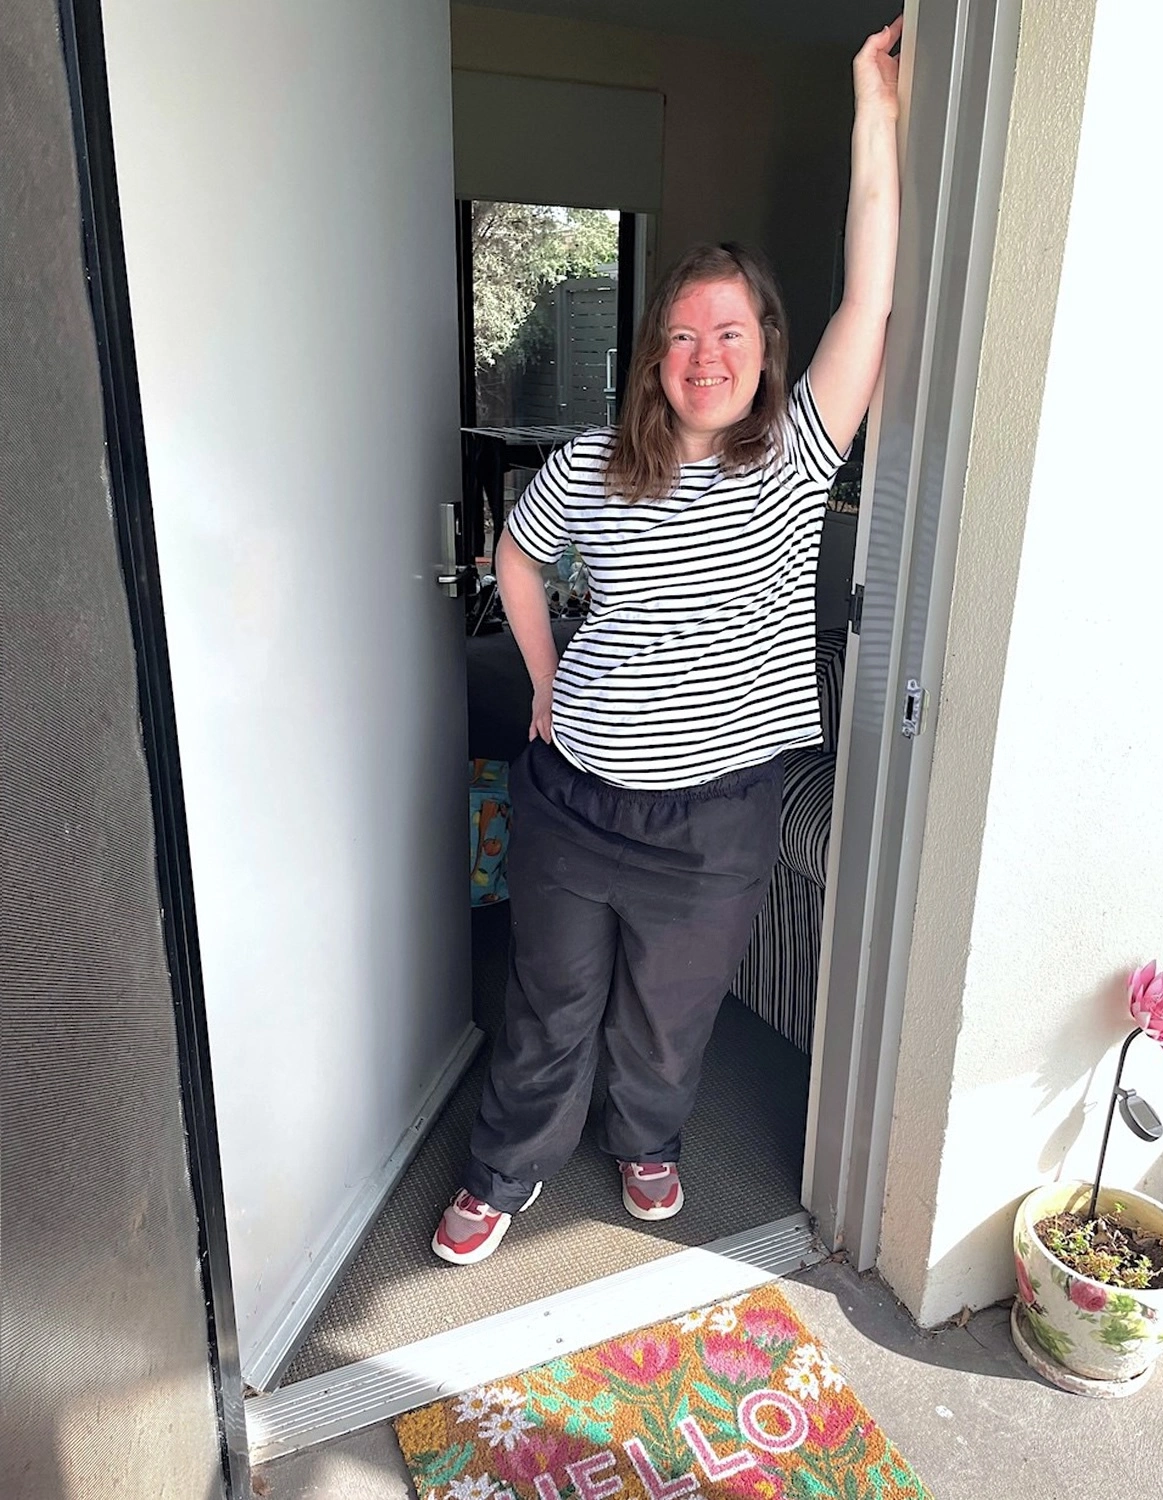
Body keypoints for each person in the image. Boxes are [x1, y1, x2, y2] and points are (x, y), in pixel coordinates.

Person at [433, 19, 903, 1265]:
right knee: (548, 1003)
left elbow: (874, 291)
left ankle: (648, 1139)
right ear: (655, 357)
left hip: (714, 818)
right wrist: (540, 681)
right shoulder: (591, 464)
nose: (703, 355)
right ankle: (506, 1166)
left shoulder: (796, 460)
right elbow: (517, 559)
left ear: (766, 355)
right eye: (682, 334)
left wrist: (874, 104)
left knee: (668, 1013)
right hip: (573, 793)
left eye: (730, 333)